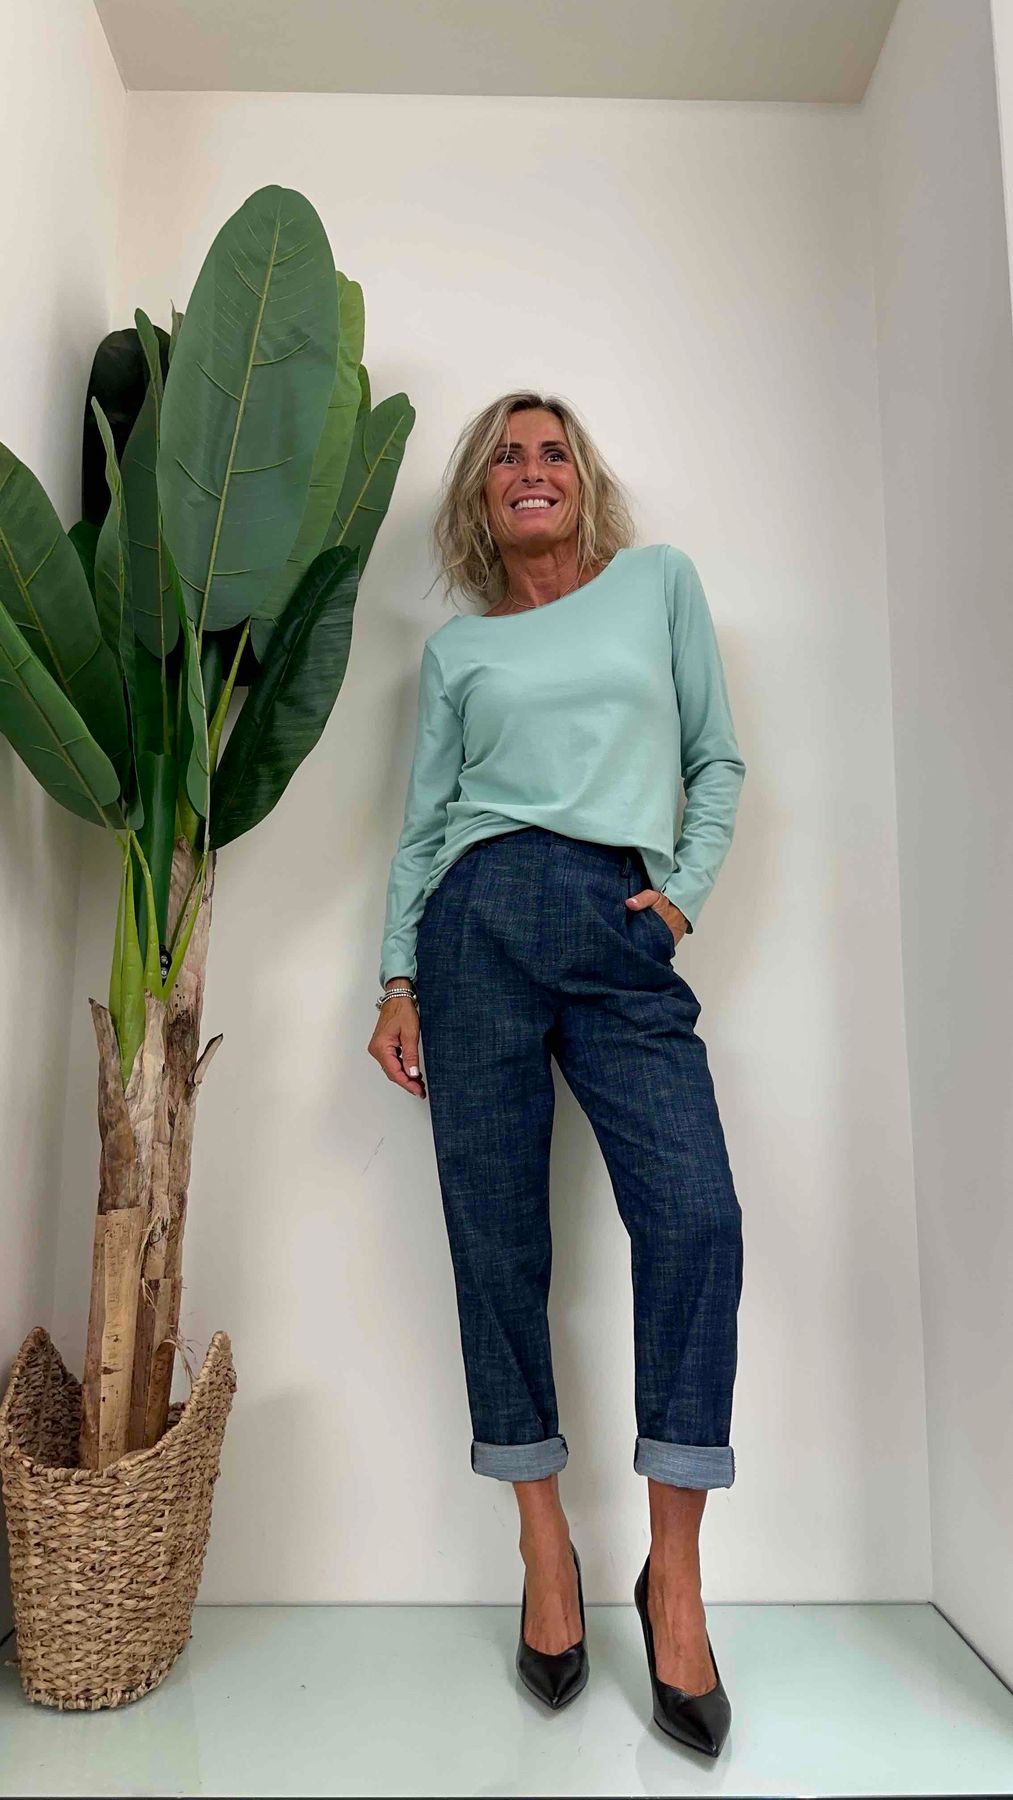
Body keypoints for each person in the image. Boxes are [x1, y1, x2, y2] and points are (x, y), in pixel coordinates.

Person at [367, 390, 746, 1757]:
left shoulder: (657, 586)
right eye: (506, 458)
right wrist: (395, 977)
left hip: (614, 918)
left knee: (695, 1217)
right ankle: (543, 1543)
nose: (531, 470)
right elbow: (422, 829)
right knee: (495, 1237)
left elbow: (715, 758)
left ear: (581, 480)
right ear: (482, 497)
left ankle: (673, 1575)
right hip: (473, 927)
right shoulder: (459, 651)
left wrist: (680, 895)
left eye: (552, 453)